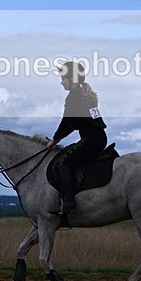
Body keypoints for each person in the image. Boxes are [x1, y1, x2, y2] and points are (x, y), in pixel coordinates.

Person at [45, 61, 107, 214]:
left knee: (62, 164)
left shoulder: (73, 96)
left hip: (90, 140)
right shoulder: (86, 95)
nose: (61, 82)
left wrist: (54, 140)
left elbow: (67, 122)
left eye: (63, 79)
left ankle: (69, 202)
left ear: (71, 79)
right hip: (99, 138)